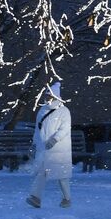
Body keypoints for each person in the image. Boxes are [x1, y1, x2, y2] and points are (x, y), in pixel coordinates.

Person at [27, 81, 73, 209]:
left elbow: (64, 129)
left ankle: (67, 199)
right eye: (46, 97)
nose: (47, 99)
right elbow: (38, 130)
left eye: (50, 97)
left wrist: (54, 140)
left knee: (61, 176)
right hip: (44, 149)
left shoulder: (64, 111)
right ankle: (35, 197)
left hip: (59, 149)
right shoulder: (42, 111)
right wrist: (34, 145)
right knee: (42, 172)